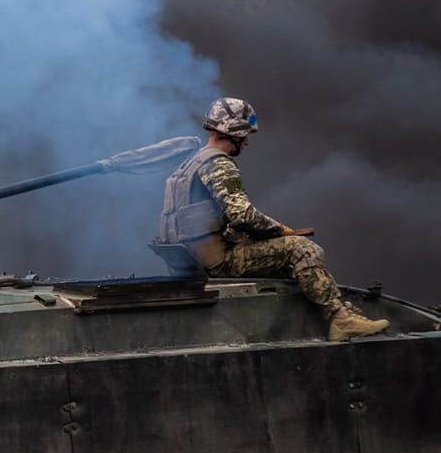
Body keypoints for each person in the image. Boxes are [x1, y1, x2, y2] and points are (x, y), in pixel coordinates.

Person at [157, 98, 389, 342]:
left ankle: (336, 310)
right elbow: (242, 215)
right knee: (302, 249)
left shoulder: (189, 164)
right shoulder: (219, 164)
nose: (246, 142)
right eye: (244, 135)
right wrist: (279, 229)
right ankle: (339, 318)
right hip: (218, 263)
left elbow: (211, 221)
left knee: (280, 251)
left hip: (194, 261)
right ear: (233, 132)